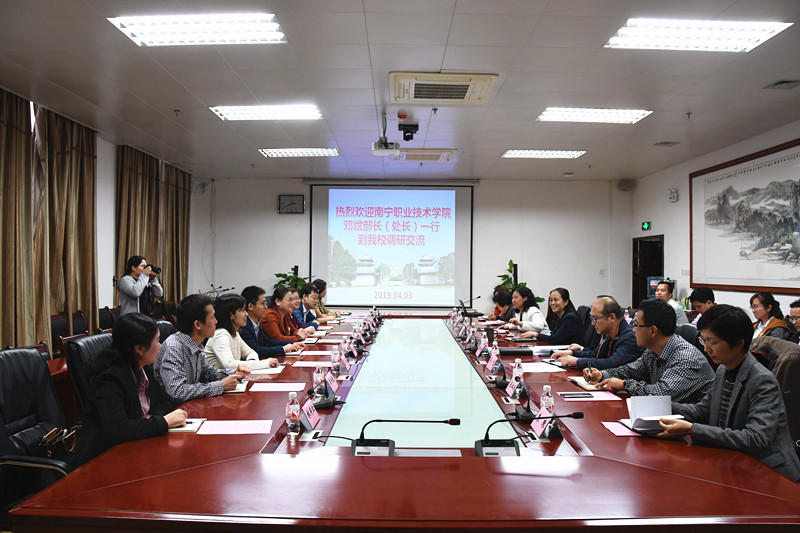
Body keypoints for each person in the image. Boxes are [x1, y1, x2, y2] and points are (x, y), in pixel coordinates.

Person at [658, 305, 800, 481]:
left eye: (713, 343)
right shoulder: (723, 370)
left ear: (739, 343)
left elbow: (756, 438)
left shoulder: (762, 381)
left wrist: (693, 429)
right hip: (734, 462)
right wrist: (662, 405)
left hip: (770, 473)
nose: (706, 349)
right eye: (704, 341)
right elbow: (703, 411)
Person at [70, 313, 187, 470]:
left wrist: (148, 419)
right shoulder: (109, 379)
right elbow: (119, 430)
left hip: (134, 451)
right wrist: (163, 422)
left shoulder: (143, 367)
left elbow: (166, 402)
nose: (160, 346)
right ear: (139, 348)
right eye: (157, 341)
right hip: (100, 463)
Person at [584, 298, 714, 403]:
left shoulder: (686, 358)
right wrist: (602, 375)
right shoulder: (652, 351)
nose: (633, 330)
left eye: (636, 325)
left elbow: (660, 394)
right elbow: (631, 370)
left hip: (690, 424)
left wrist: (624, 385)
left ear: (652, 331)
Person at [154, 294, 248, 403]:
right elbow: (178, 392)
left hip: (191, 405)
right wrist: (220, 386)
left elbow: (208, 372)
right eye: (212, 317)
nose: (216, 321)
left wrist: (234, 372)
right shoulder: (173, 348)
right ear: (198, 324)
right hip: (173, 409)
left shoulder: (196, 344)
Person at [552, 296, 643, 369]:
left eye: (595, 319)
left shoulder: (630, 337)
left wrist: (577, 361)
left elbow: (612, 363)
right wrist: (571, 353)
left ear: (612, 317)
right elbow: (596, 355)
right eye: (592, 319)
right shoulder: (611, 334)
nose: (592, 323)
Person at [204, 294, 280, 371]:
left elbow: (251, 352)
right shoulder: (220, 335)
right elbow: (229, 364)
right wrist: (265, 363)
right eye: (243, 310)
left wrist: (252, 362)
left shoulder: (235, 334)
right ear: (231, 315)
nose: (246, 314)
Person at [239, 286, 304, 358]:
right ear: (251, 306)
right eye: (263, 303)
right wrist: (283, 349)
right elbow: (256, 350)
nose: (266, 307)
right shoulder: (243, 325)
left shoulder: (255, 323)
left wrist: (292, 343)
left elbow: (268, 341)